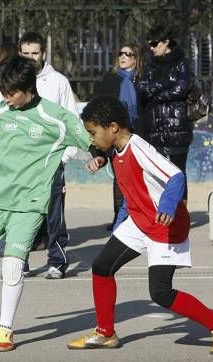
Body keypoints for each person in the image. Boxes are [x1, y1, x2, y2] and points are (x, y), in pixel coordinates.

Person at [68, 96, 213, 354]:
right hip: (139, 220)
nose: (91, 138)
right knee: (102, 267)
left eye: (93, 132)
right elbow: (110, 158)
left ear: (113, 127)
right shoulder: (115, 147)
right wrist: (100, 158)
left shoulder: (138, 148)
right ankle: (105, 333)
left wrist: (168, 206)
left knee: (160, 292)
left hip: (164, 226)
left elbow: (176, 176)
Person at [0, 56, 92, 351]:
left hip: (30, 203)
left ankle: (5, 329)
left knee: (14, 267)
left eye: (11, 92)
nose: (5, 98)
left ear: (28, 88)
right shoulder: (2, 110)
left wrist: (99, 156)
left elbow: (90, 140)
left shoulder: (56, 117)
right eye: (3, 92)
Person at [18, 31, 101, 279]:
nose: (31, 57)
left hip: (52, 161)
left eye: (35, 53)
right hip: (22, 162)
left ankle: (57, 260)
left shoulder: (58, 82)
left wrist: (65, 156)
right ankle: (19, 260)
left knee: (54, 214)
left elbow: (73, 122)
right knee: (21, 214)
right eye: (26, 53)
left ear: (43, 53)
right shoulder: (13, 79)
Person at [137, 24, 192, 202]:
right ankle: (162, 211)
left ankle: (181, 214)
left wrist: (156, 96)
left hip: (177, 127)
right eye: (150, 45)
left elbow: (181, 89)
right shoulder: (150, 66)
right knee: (158, 174)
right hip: (154, 129)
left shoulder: (181, 62)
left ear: (166, 42)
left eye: (155, 44)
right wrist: (165, 82)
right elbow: (142, 89)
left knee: (178, 173)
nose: (152, 48)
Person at [95, 44, 144, 230]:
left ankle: (137, 216)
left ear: (136, 57)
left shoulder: (142, 80)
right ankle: (119, 217)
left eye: (128, 54)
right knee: (120, 177)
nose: (123, 57)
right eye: (120, 53)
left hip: (138, 135)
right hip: (117, 135)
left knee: (138, 177)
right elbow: (101, 106)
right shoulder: (111, 79)